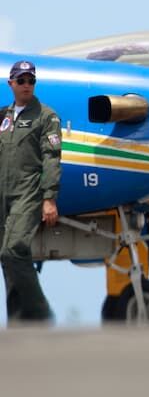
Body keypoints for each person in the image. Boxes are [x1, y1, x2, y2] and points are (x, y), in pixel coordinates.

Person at [1, 60, 61, 323]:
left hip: (27, 192)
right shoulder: (3, 116)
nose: (27, 85)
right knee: (7, 260)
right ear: (11, 83)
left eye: (31, 80)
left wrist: (49, 198)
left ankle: (40, 311)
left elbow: (52, 158)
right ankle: (18, 321)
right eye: (22, 80)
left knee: (13, 250)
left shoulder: (46, 117)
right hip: (3, 193)